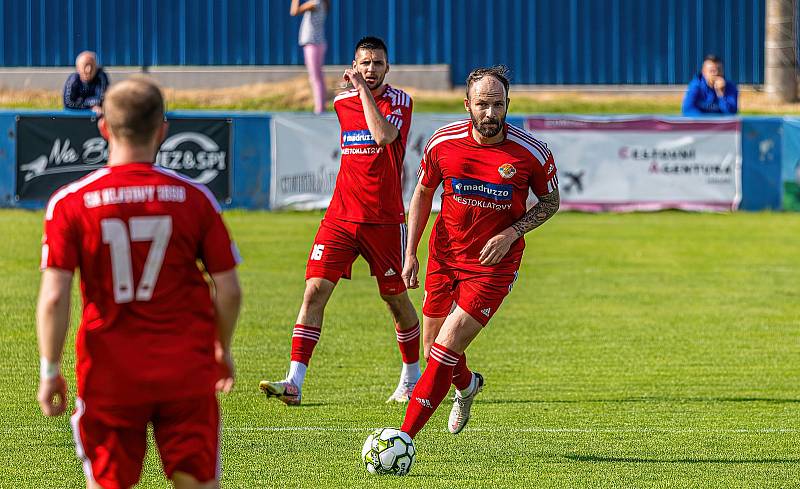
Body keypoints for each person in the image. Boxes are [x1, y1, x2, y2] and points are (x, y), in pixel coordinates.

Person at [36, 77, 242, 489]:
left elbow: (54, 297)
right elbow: (230, 289)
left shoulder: (70, 202)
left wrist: (50, 370)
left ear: (103, 128)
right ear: (162, 130)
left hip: (109, 373)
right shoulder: (195, 197)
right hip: (184, 369)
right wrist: (221, 346)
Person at [397, 66, 560, 440]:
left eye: (497, 105)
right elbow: (422, 193)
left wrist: (512, 232)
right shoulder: (443, 142)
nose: (490, 114)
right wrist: (410, 253)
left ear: (508, 105)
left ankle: (403, 439)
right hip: (445, 254)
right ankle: (468, 386)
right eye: (482, 105)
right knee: (433, 344)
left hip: (493, 266)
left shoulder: (531, 152)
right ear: (467, 103)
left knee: (446, 346)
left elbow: (550, 201)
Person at [260, 36, 421, 406]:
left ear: (387, 67)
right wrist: (357, 92)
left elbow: (383, 137)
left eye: (377, 63)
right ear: (354, 63)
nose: (371, 69)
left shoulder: (400, 101)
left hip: (383, 220)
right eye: (364, 63)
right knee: (314, 291)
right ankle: (294, 381)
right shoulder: (340, 102)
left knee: (394, 299)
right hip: (340, 217)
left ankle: (412, 377)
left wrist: (363, 90)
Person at [290, 0, 329, 114]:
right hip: (317, 44)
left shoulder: (315, 3)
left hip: (313, 44)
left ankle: (319, 109)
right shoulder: (321, 3)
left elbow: (294, 11)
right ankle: (321, 107)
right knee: (318, 77)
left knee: (315, 78)